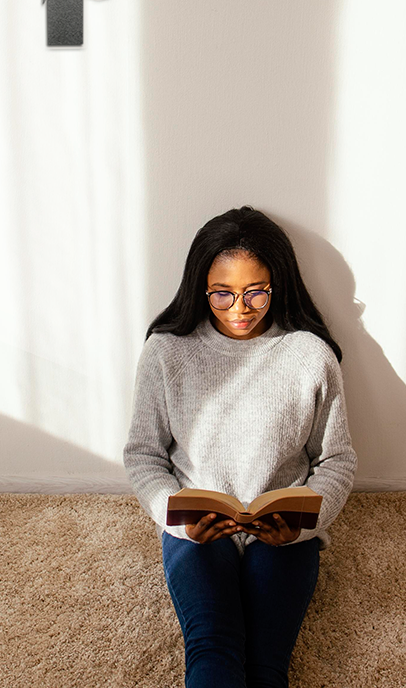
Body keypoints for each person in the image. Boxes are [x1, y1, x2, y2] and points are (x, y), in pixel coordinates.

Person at [123, 205, 357, 688]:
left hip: (284, 531)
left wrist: (305, 522)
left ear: (278, 283)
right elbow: (143, 454)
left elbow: (336, 460)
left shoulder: (309, 355)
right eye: (222, 294)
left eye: (255, 292)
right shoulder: (167, 351)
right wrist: (175, 516)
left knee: (266, 664)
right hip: (200, 530)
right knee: (212, 649)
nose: (239, 308)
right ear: (201, 288)